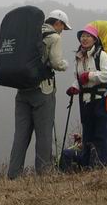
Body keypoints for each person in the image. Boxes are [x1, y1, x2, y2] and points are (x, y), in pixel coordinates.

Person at [7, 9, 71, 179]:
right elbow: (56, 63)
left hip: (22, 90)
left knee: (20, 135)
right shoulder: (54, 38)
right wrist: (65, 64)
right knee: (43, 134)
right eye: (63, 27)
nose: (62, 31)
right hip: (43, 91)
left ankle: (13, 174)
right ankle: (44, 173)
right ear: (58, 23)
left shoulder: (30, 34)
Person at [66, 24, 107, 168]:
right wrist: (74, 87)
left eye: (88, 36)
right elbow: (78, 78)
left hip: (101, 100)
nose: (84, 39)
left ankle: (98, 166)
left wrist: (90, 75)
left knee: (101, 135)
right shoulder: (79, 57)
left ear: (95, 40)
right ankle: (87, 165)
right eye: (82, 36)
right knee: (87, 134)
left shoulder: (101, 55)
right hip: (85, 101)